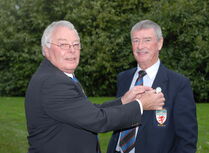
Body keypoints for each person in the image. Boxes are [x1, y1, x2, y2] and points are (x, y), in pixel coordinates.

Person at [24, 20, 165, 153]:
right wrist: (140, 105)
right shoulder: (53, 82)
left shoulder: (57, 76)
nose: (72, 50)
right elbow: (99, 120)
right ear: (46, 49)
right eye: (63, 45)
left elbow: (89, 112)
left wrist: (123, 101)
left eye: (76, 44)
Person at [107, 20, 198, 153]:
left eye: (147, 40)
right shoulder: (123, 78)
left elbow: (187, 139)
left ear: (159, 43)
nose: (140, 46)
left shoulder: (178, 84)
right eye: (135, 40)